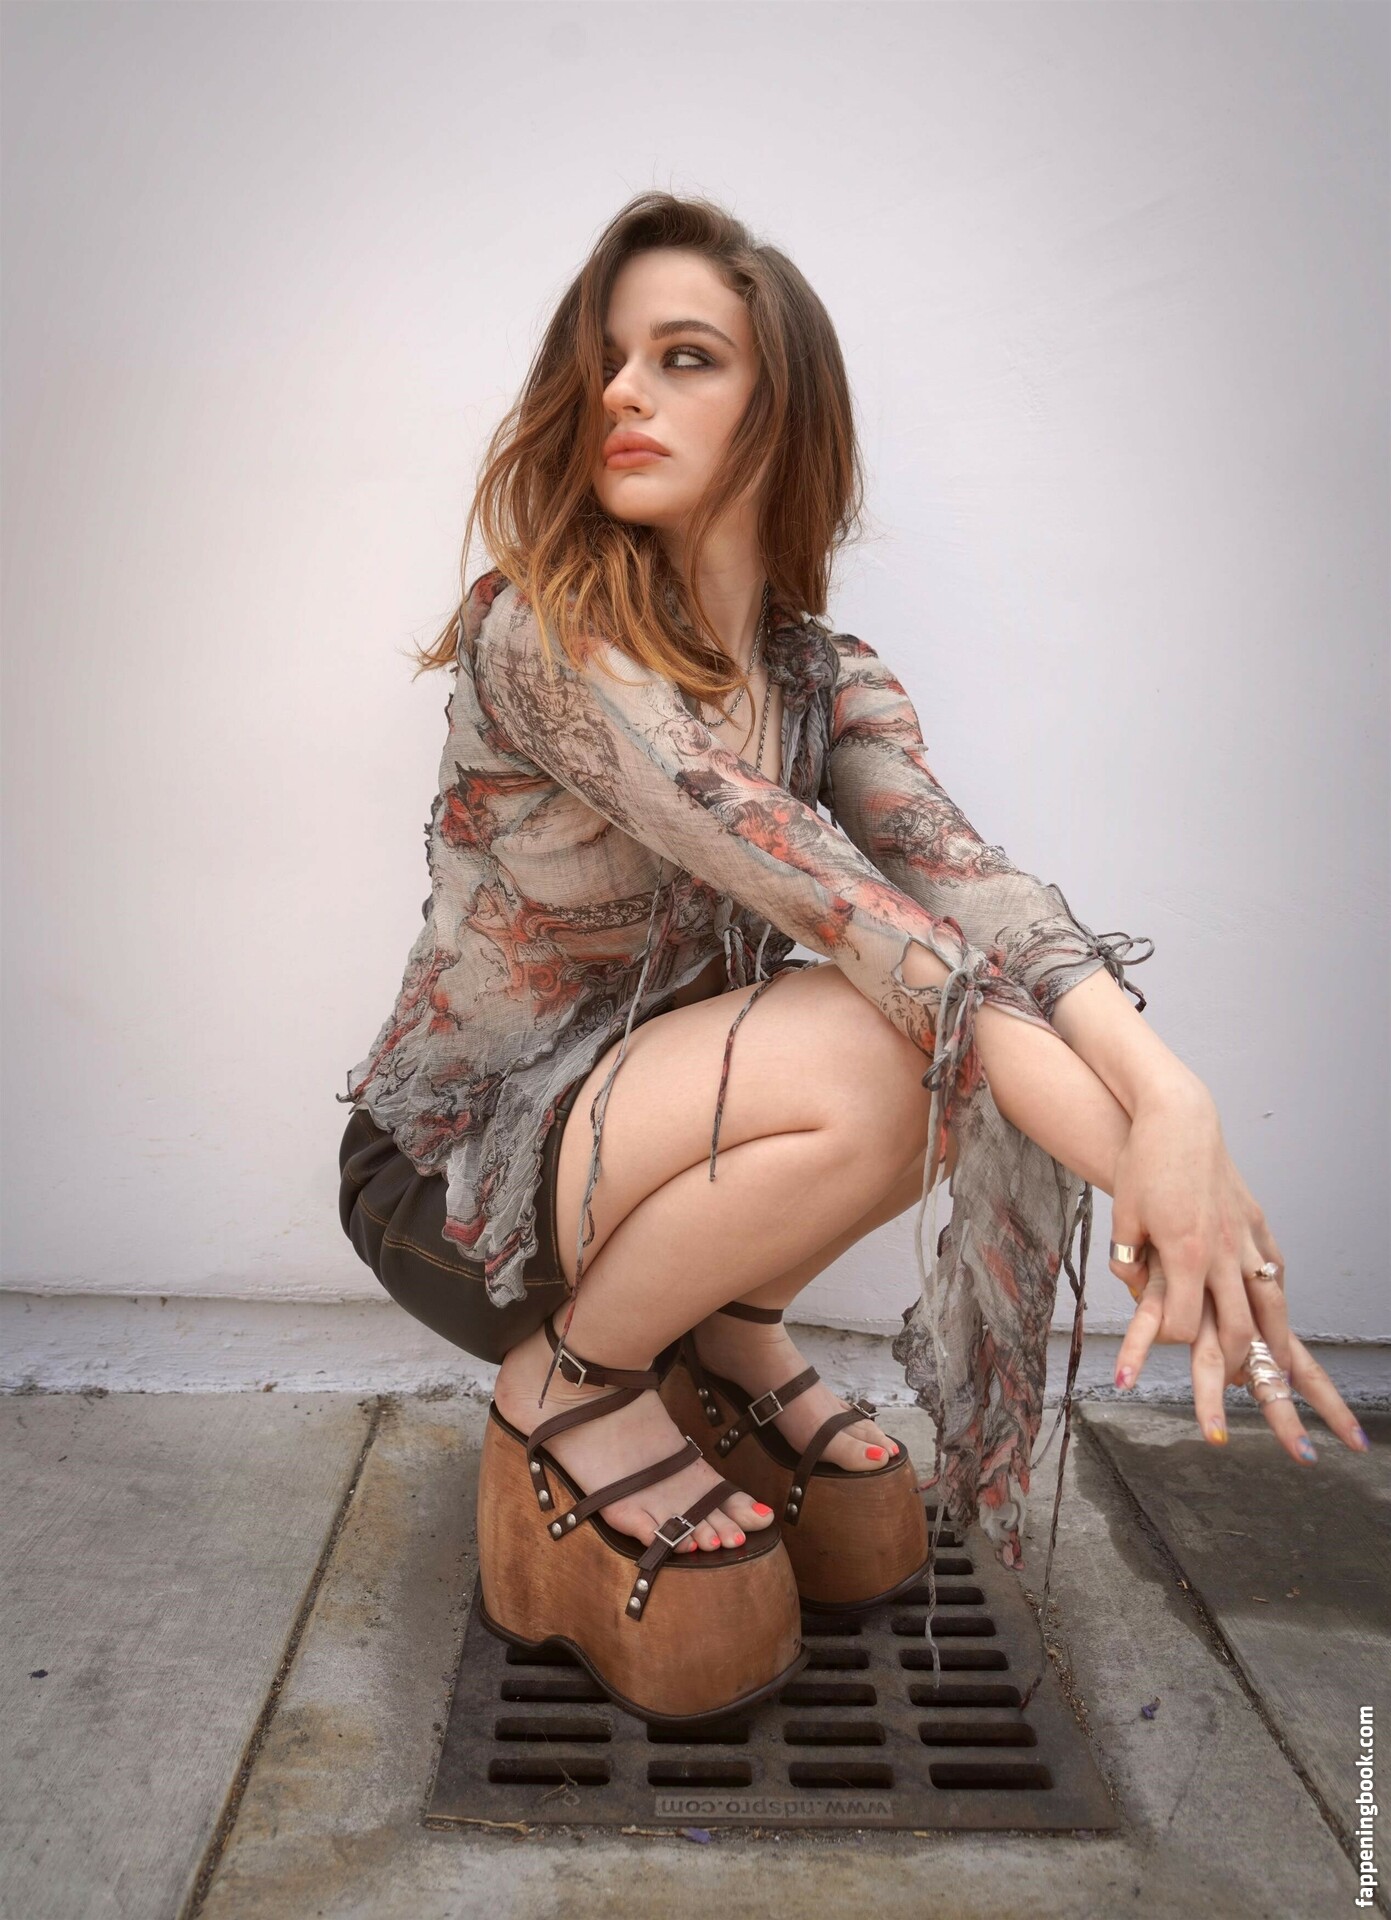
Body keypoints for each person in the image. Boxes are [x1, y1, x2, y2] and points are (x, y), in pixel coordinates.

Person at [337, 191, 1368, 1723]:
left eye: (685, 357)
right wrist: (1151, 1185)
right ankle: (570, 1381)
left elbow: (974, 892)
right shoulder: (544, 634)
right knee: (885, 1029)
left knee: (921, 1025)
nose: (621, 392)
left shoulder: (826, 675)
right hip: (454, 1182)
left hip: (635, 1141)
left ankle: (723, 1332)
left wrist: (1177, 1105)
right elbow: (840, 906)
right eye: (607, 358)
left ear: (784, 407)